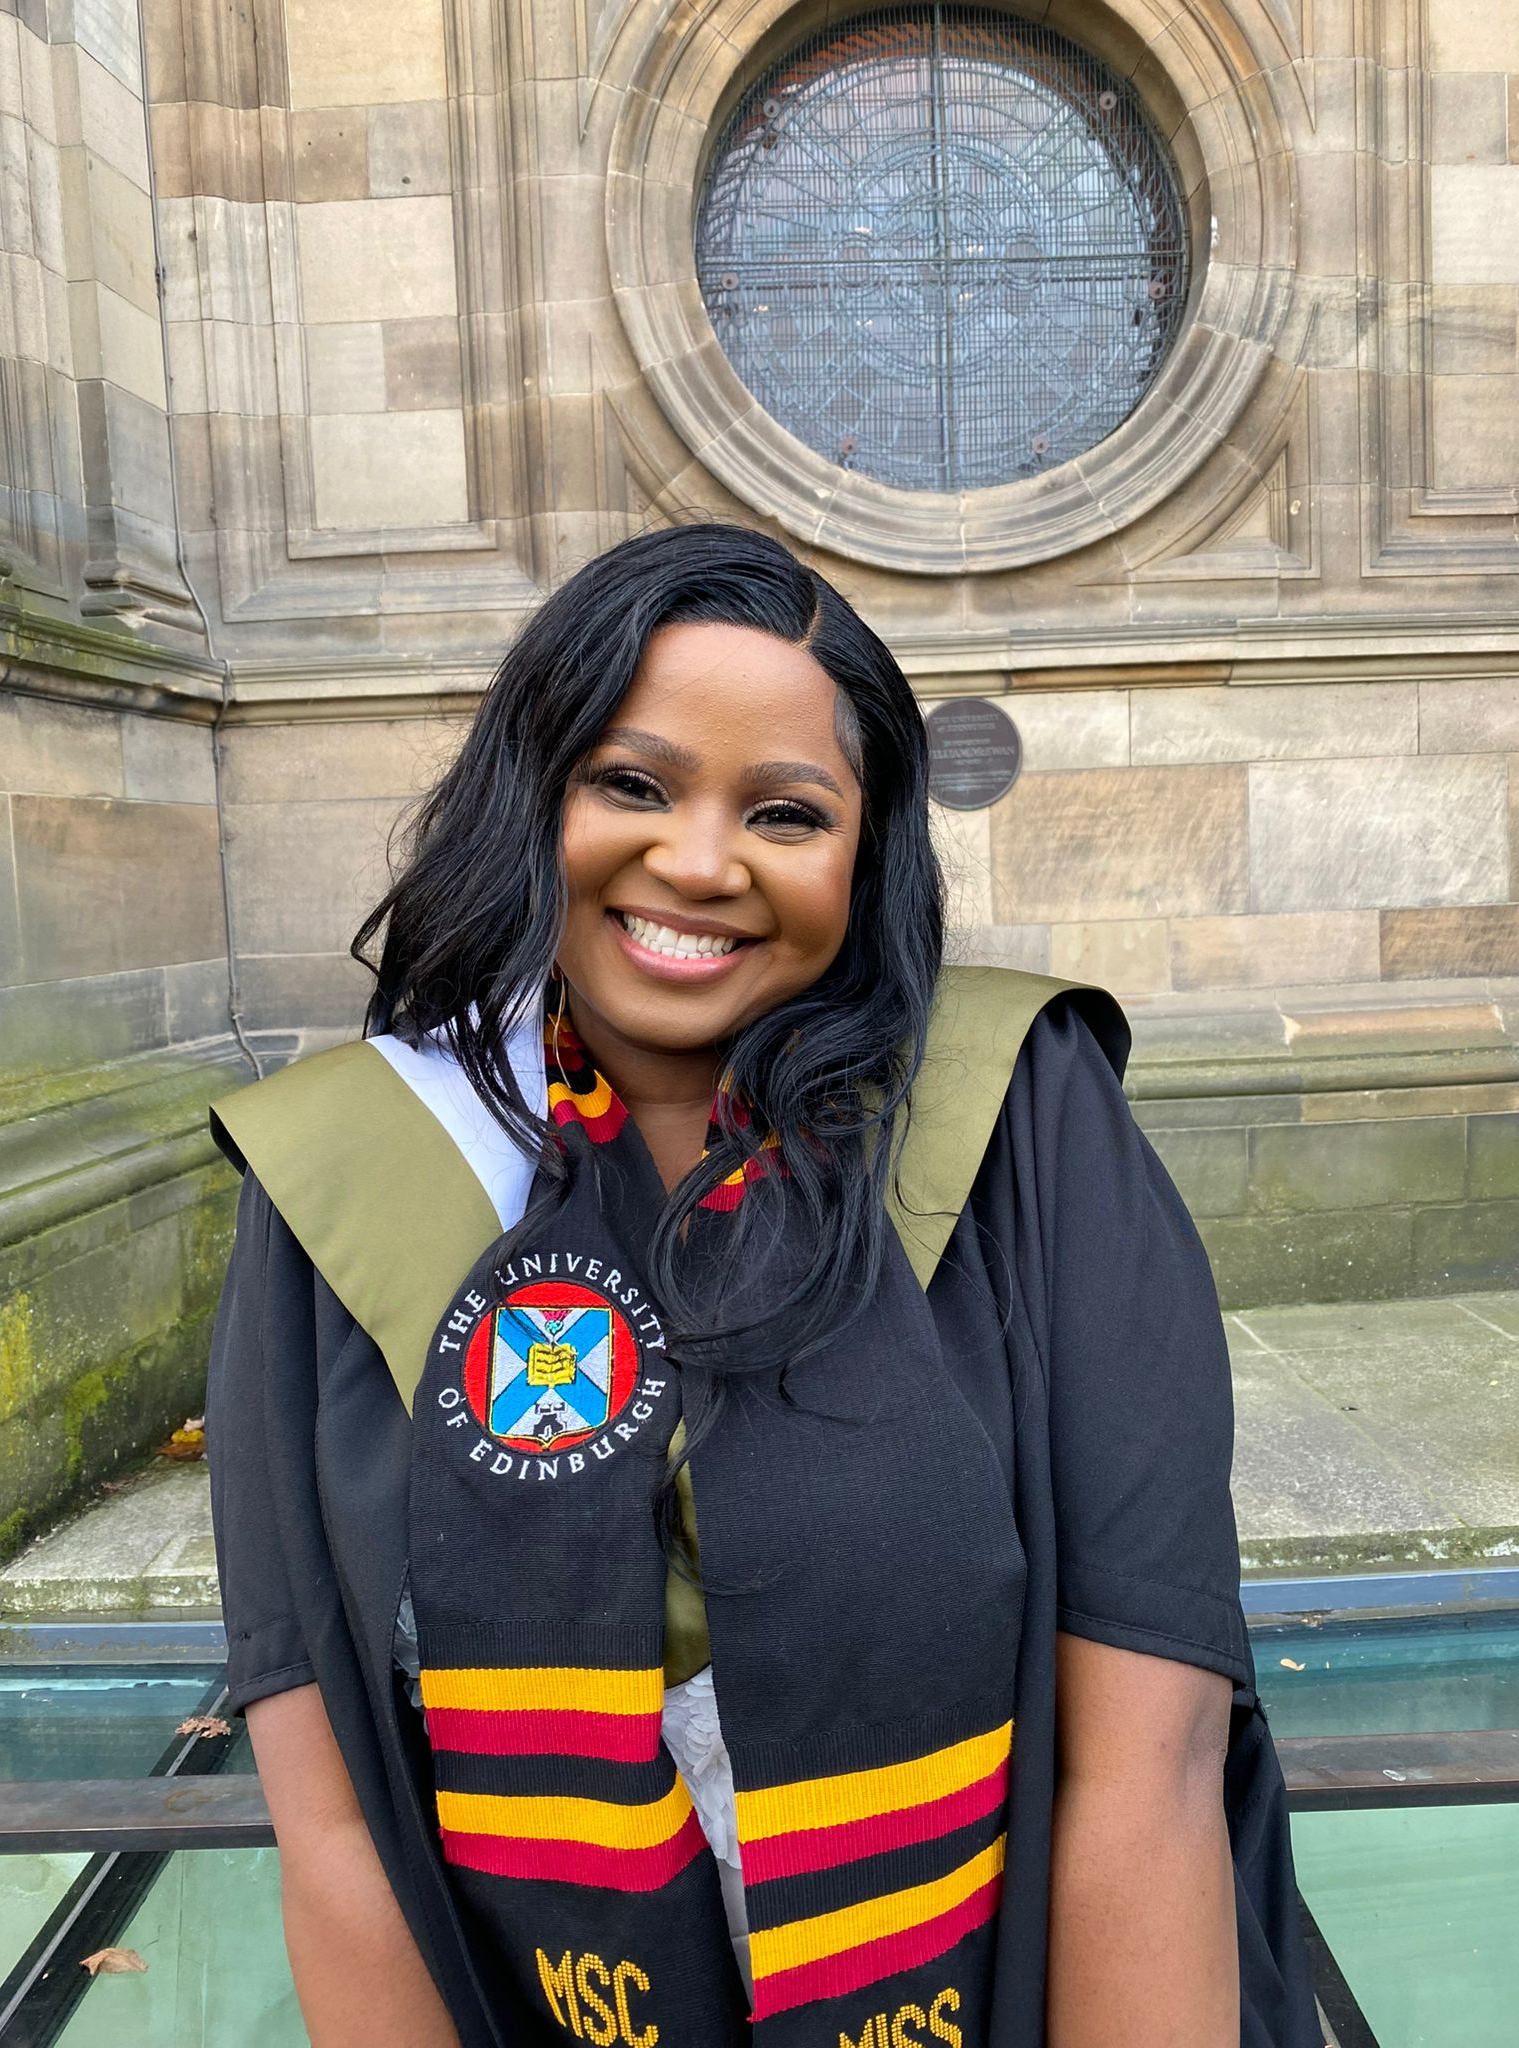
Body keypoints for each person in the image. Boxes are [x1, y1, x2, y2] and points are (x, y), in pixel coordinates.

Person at [206, 523, 1319, 2048]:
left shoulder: (1020, 1118)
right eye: (632, 784)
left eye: (785, 812)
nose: (699, 861)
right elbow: (334, 1826)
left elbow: (1150, 1766)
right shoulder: (341, 1180)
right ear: (532, 793)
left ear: (866, 855)